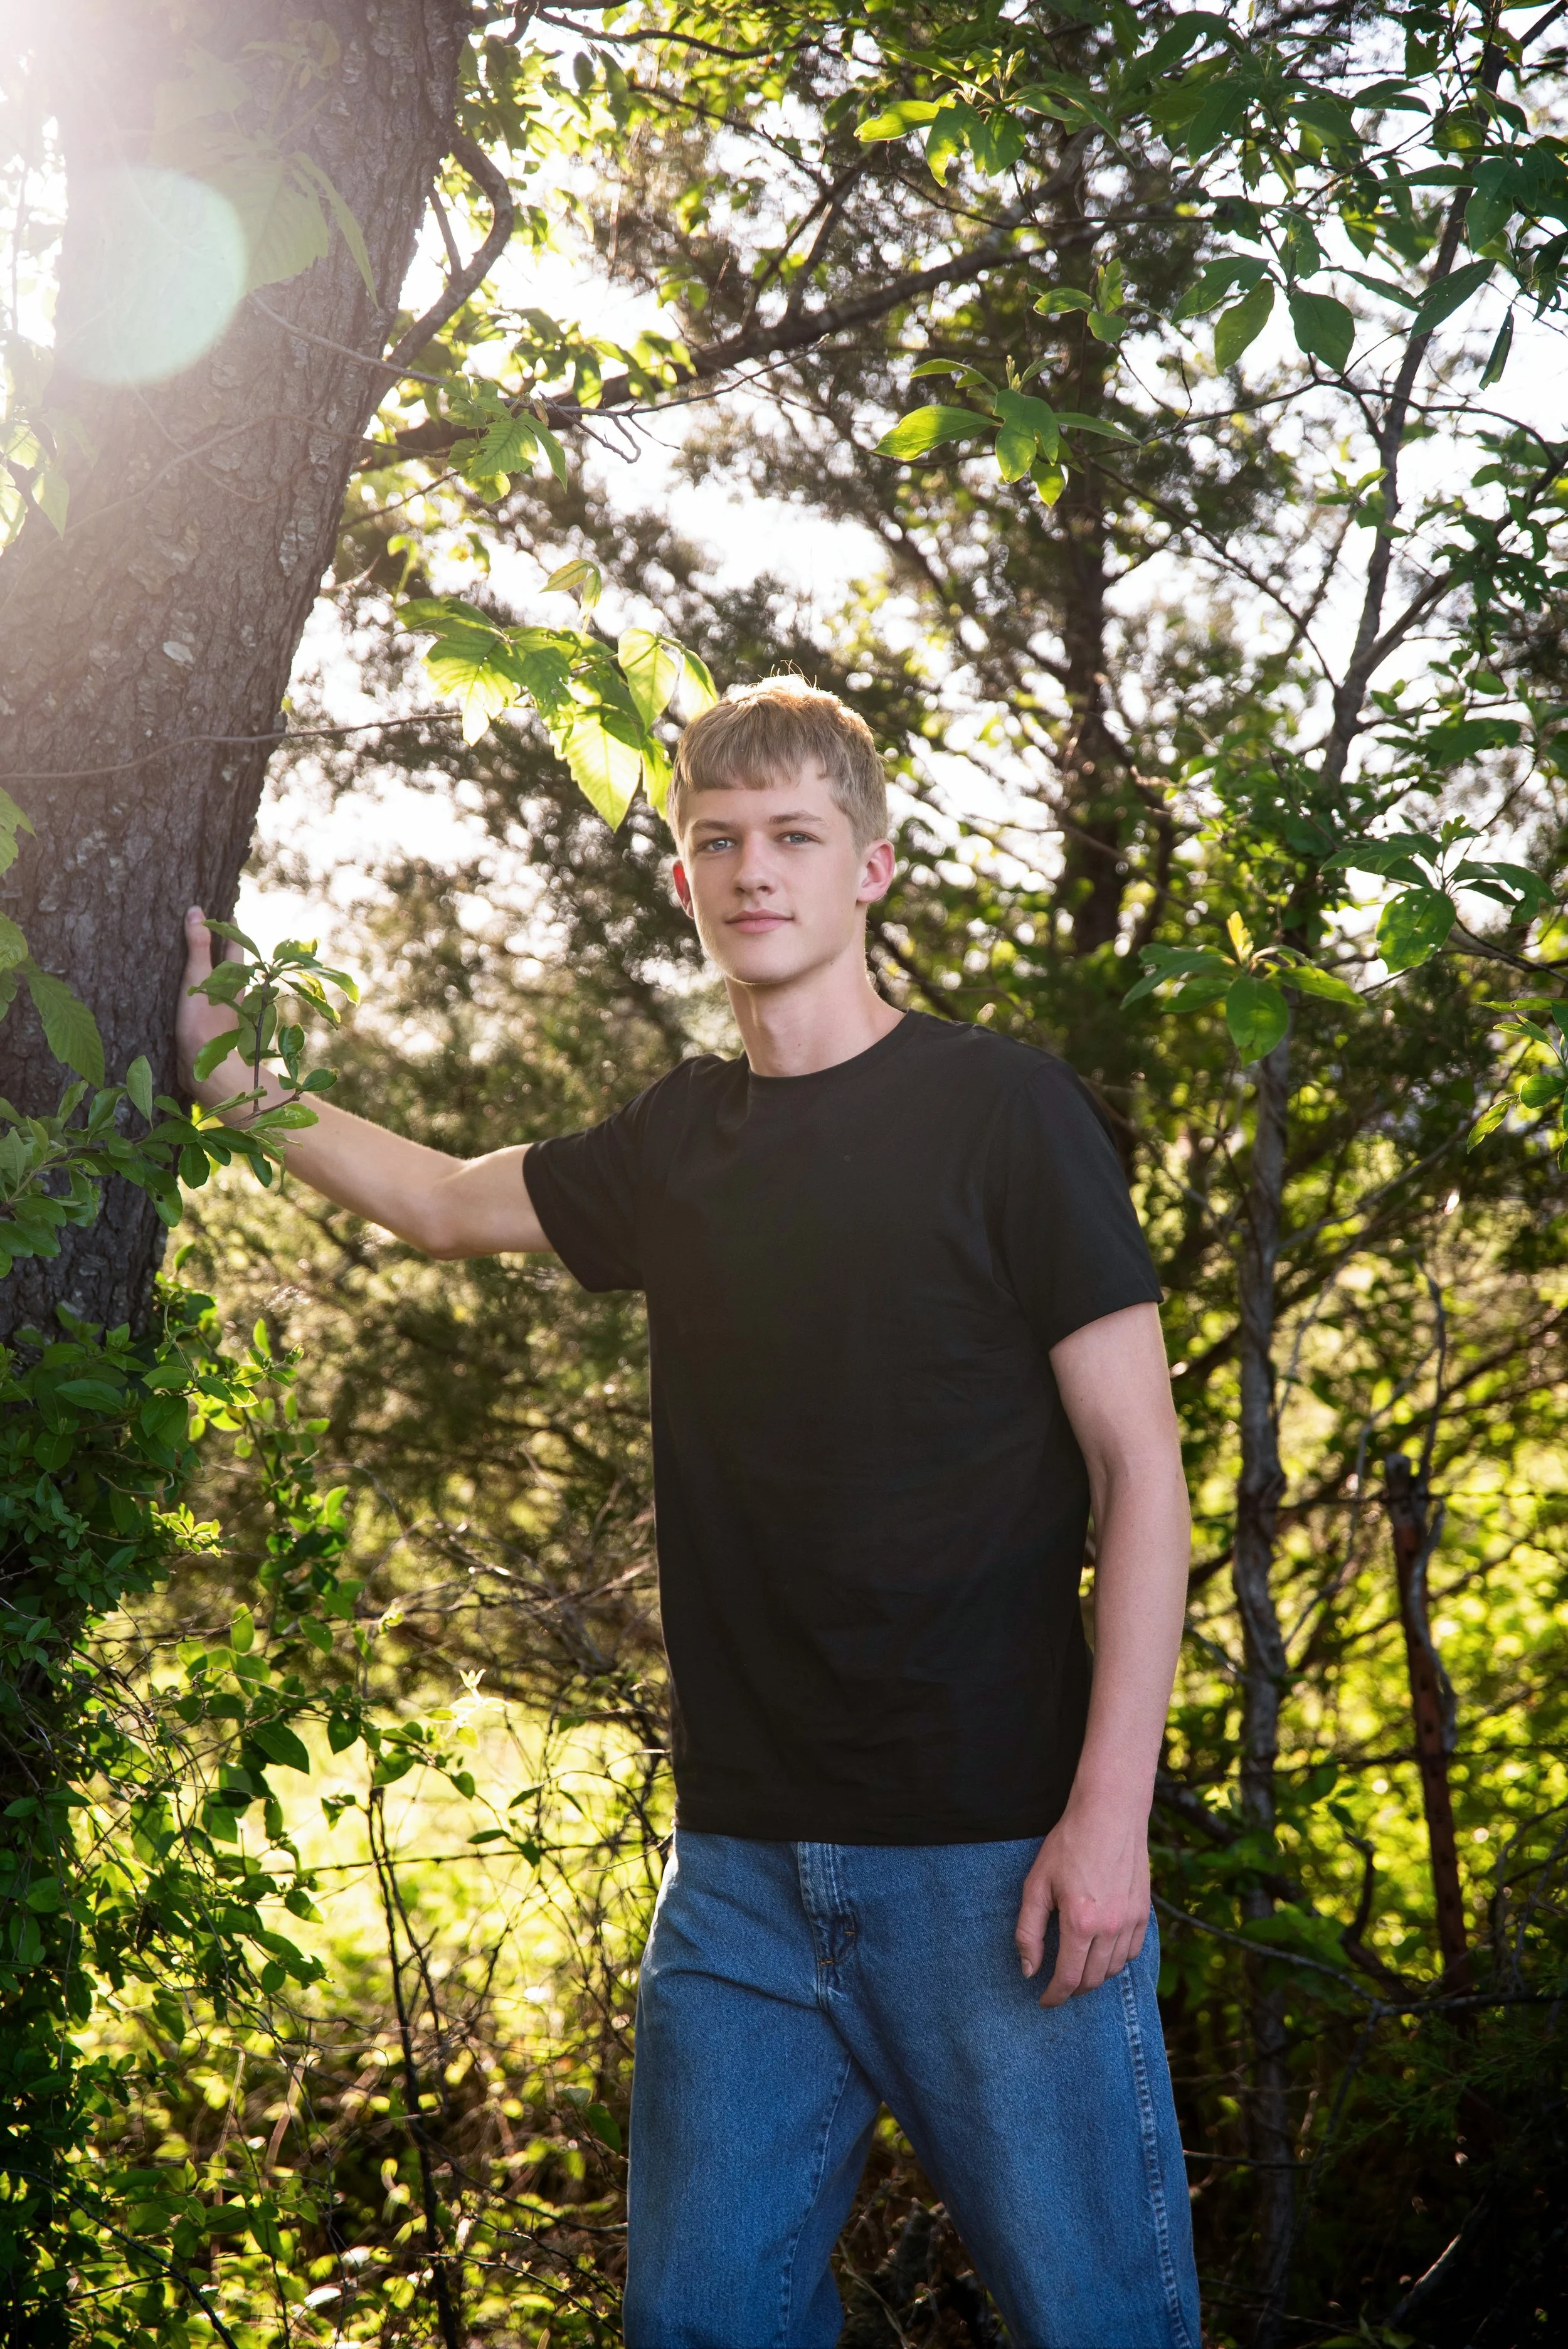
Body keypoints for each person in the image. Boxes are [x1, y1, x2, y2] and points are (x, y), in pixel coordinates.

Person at [177, 678, 1200, 2349]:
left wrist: (1108, 1822)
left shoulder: (999, 1113)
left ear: (871, 867)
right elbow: (441, 1207)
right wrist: (234, 1085)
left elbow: (1137, 1468)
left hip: (994, 1856)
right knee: (698, 2328)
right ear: (679, 880)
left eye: (794, 836)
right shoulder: (677, 1142)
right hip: (737, 1877)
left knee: (1101, 2324)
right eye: (715, 841)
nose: (753, 871)